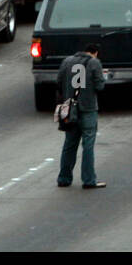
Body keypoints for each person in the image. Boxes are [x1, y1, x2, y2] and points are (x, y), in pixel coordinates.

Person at [55, 43, 107, 189]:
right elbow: (100, 86)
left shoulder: (67, 61)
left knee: (69, 144)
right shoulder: (94, 63)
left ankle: (64, 178)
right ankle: (88, 179)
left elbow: (58, 83)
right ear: (95, 53)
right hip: (88, 108)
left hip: (70, 109)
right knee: (88, 145)